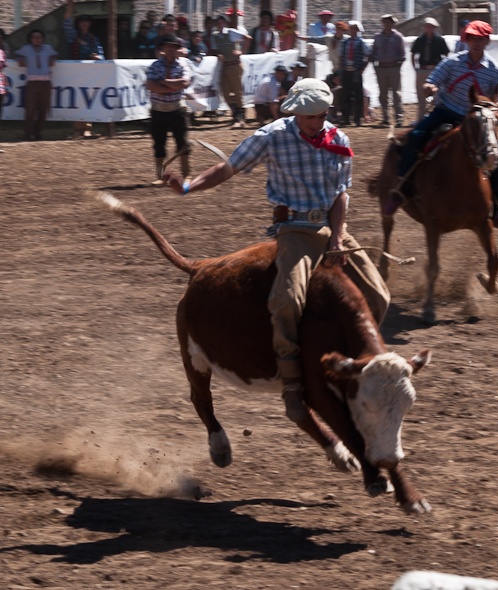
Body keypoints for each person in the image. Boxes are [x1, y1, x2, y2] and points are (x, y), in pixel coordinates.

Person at [164, 78, 390, 412]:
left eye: (321, 115)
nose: (316, 122)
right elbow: (227, 168)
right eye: (309, 116)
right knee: (286, 300)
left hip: (330, 226)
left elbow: (341, 193)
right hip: (295, 230)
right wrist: (187, 187)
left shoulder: (338, 138)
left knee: (378, 295)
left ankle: (355, 363)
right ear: (296, 112)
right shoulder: (271, 136)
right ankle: (293, 380)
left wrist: (338, 237)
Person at [389, 20, 498, 231]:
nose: (476, 42)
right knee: (417, 135)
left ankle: (497, 208)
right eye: (472, 38)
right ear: (466, 40)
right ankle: (402, 188)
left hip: (476, 120)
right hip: (446, 111)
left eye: (480, 38)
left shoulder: (495, 71)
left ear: (487, 41)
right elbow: (433, 80)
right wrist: (430, 87)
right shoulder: (452, 62)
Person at [147, 34, 192, 186]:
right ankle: (160, 176)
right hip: (159, 110)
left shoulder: (182, 65)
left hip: (176, 109)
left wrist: (163, 83)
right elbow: (151, 86)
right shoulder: (155, 65)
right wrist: (172, 86)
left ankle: (186, 174)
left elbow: (184, 83)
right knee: (159, 143)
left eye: (173, 47)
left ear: (177, 49)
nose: (170, 49)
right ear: (163, 48)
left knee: (182, 142)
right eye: (168, 46)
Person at [63, 0, 103, 139]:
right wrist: (70, 6)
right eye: (82, 21)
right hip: (75, 73)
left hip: (89, 74)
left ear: (89, 24)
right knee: (76, 100)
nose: (84, 24)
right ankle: (76, 128)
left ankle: (87, 127)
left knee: (88, 99)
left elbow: (101, 55)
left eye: (86, 21)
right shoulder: (73, 36)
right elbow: (66, 22)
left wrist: (97, 57)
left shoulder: (93, 39)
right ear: (79, 24)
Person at [14, 29, 57, 141]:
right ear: (31, 39)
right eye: (34, 37)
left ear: (42, 39)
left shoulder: (48, 48)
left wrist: (52, 59)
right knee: (30, 109)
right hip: (32, 82)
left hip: (45, 82)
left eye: (39, 37)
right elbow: (16, 54)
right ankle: (28, 133)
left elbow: (54, 56)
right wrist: (20, 60)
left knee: (43, 109)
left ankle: (38, 132)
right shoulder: (26, 49)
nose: (37, 40)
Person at [210, 12, 251, 128]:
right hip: (225, 65)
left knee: (237, 92)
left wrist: (241, 52)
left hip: (234, 64)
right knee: (225, 92)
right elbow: (215, 49)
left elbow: (247, 38)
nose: (220, 24)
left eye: (222, 22)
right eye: (218, 23)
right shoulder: (216, 36)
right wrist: (218, 54)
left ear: (226, 23)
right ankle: (236, 114)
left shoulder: (231, 32)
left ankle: (240, 118)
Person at [410, 17, 450, 122]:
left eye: (431, 26)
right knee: (420, 95)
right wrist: (416, 68)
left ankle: (436, 119)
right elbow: (413, 54)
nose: (429, 28)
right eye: (427, 26)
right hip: (422, 69)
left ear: (434, 28)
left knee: (437, 95)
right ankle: (420, 118)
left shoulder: (440, 40)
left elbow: (446, 54)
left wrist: (443, 69)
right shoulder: (420, 40)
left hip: (435, 69)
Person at [373, 14, 405, 127]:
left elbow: (402, 54)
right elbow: (374, 52)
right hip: (381, 68)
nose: (387, 24)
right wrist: (376, 67)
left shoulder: (398, 37)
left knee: (396, 94)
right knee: (383, 95)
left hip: (394, 68)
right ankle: (385, 118)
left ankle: (399, 118)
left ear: (393, 23)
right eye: (385, 22)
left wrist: (397, 66)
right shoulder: (378, 37)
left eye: (389, 22)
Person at [339, 20, 369, 127]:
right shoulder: (345, 42)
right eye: (351, 28)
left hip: (356, 70)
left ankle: (357, 119)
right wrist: (341, 68)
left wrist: (362, 69)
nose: (352, 30)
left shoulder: (361, 42)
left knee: (358, 96)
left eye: (354, 28)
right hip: (346, 70)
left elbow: (368, 54)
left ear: (358, 30)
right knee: (346, 94)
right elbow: (341, 56)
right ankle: (346, 118)